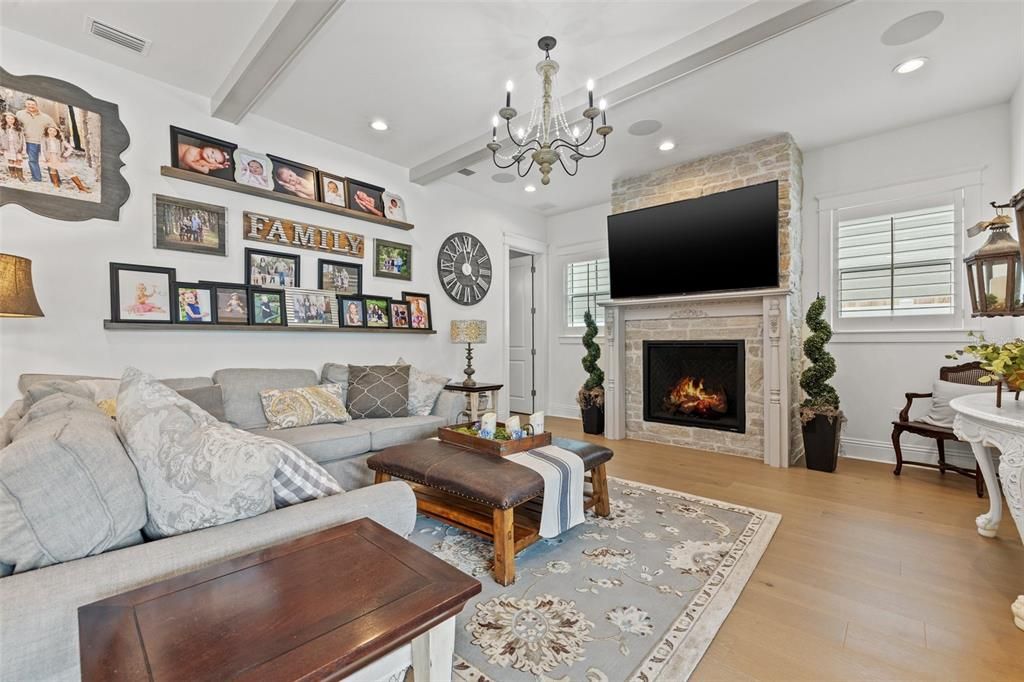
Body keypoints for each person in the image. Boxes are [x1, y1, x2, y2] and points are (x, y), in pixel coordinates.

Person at [16, 98, 55, 183]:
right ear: (25, 105)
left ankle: (55, 180)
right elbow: (15, 125)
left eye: (33, 104)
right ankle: (37, 178)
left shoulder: (46, 117)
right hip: (29, 141)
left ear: (37, 105)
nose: (31, 106)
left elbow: (55, 128)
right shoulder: (19, 114)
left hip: (44, 142)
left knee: (50, 160)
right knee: (33, 160)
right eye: (28, 104)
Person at [1, 112, 26, 183]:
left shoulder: (19, 129)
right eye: (8, 118)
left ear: (15, 120)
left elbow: (22, 139)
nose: (10, 120)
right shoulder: (2, 128)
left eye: (12, 119)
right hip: (7, 147)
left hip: (17, 148)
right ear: (5, 119)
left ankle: (20, 175)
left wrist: (23, 149)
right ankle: (12, 174)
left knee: (19, 161)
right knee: (10, 160)